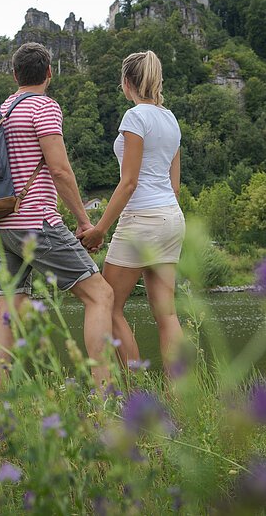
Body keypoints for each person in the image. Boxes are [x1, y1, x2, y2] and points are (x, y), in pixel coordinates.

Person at [0, 42, 114, 388]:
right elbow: (59, 169)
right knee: (100, 295)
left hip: (1, 225)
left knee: (7, 313)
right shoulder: (43, 107)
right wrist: (84, 220)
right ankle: (105, 396)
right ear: (49, 73)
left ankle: (0, 407)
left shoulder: (1, 111)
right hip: (36, 223)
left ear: (15, 75)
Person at [79, 50, 184, 377]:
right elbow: (175, 185)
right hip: (171, 217)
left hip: (141, 219)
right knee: (166, 314)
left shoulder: (135, 117)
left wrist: (99, 229)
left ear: (127, 83)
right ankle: (179, 397)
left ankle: (138, 392)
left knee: (108, 305)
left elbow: (128, 182)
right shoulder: (170, 119)